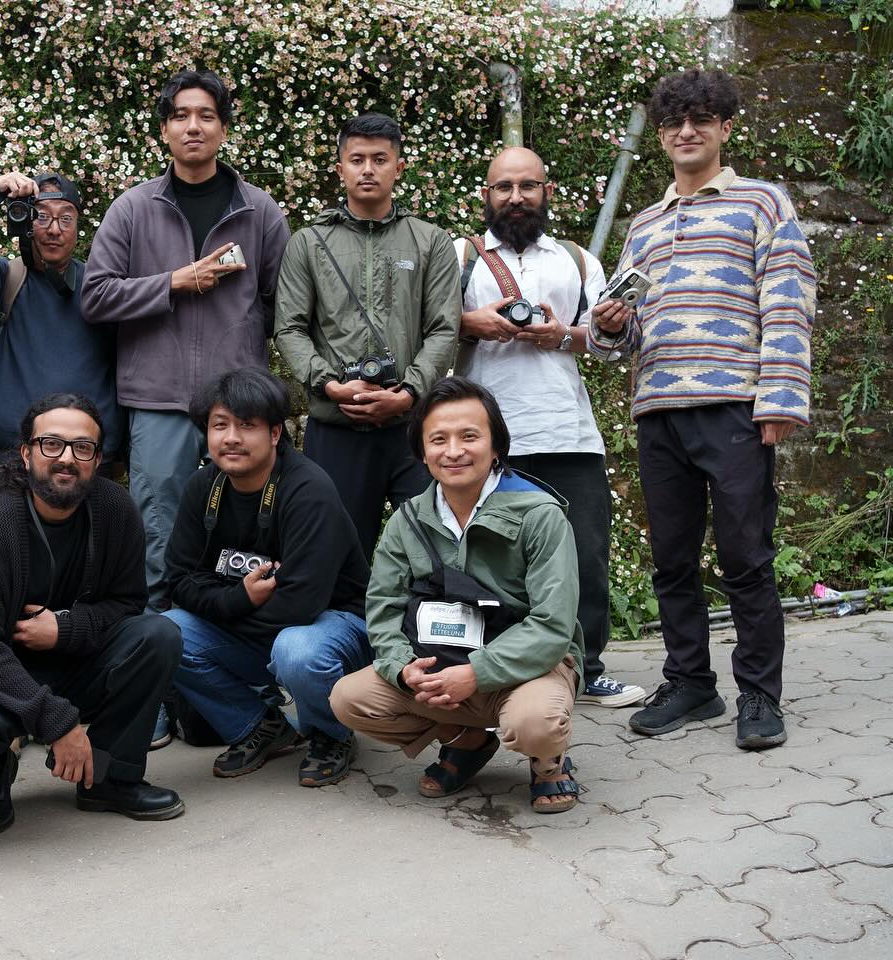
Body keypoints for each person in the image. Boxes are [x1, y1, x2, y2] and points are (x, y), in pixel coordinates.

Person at [589, 68, 816, 750]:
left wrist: (779, 399)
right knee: (672, 559)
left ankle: (759, 694)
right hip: (659, 409)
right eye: (674, 122)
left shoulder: (763, 203)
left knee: (746, 555)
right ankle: (690, 682)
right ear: (661, 135)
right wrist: (608, 324)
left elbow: (788, 300)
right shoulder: (644, 225)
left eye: (700, 120)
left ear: (724, 127)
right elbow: (619, 338)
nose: (686, 132)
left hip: (734, 408)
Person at [83, 68, 290, 612]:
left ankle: (237, 649)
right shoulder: (132, 208)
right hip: (159, 400)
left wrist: (243, 350)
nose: (193, 126)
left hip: (239, 401)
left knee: (248, 531)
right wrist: (174, 282)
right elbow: (96, 296)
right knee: (157, 533)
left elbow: (282, 304)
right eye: (180, 116)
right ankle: (159, 648)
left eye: (206, 116)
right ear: (164, 130)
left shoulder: (259, 210)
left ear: (223, 129)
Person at [0, 394, 185, 834]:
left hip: (81, 662)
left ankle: (108, 779)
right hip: (4, 672)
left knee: (158, 636)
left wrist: (65, 629)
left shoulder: (115, 509)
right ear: (26, 453)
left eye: (82, 447)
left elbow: (128, 604)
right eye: (51, 444)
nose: (66, 458)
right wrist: (60, 725)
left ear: (97, 459)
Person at [331, 376, 584, 813]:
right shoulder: (407, 521)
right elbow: (383, 609)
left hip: (528, 666)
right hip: (440, 663)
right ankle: (465, 740)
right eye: (438, 439)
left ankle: (548, 762)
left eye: (469, 436)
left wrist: (476, 672)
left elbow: (552, 625)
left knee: (534, 722)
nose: (453, 451)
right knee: (350, 699)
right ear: (421, 451)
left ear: (496, 446)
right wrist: (402, 668)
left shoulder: (540, 515)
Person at [453, 145, 645, 709]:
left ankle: (586, 669)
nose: (516, 198)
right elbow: (425, 328)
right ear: (486, 195)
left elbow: (610, 345)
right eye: (504, 187)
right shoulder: (458, 256)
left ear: (547, 192)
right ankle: (490, 671)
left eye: (528, 186)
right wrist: (471, 323)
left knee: (585, 555)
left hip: (567, 431)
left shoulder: (577, 261)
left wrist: (568, 333)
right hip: (483, 437)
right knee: (487, 559)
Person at [164, 368, 371, 786]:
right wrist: (238, 599)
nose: (231, 438)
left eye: (247, 425)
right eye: (219, 425)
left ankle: (330, 733)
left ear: (275, 433)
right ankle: (260, 725)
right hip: (256, 622)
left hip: (333, 627)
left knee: (296, 650)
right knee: (164, 634)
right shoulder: (203, 487)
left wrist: (222, 606)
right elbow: (178, 579)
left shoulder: (309, 490)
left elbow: (300, 605)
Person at [274, 112, 460, 560]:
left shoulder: (431, 241)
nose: (368, 170)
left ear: (399, 167)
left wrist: (409, 392)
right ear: (340, 169)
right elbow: (289, 328)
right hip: (336, 426)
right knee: (337, 553)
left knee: (433, 549)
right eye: (357, 160)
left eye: (380, 159)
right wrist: (329, 384)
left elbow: (443, 328)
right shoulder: (308, 243)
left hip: (412, 428)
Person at [0, 169, 123, 495]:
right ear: (26, 223)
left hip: (86, 461)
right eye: (42, 217)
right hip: (13, 460)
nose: (54, 229)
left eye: (66, 219)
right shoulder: (7, 280)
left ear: (78, 227)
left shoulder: (98, 288)